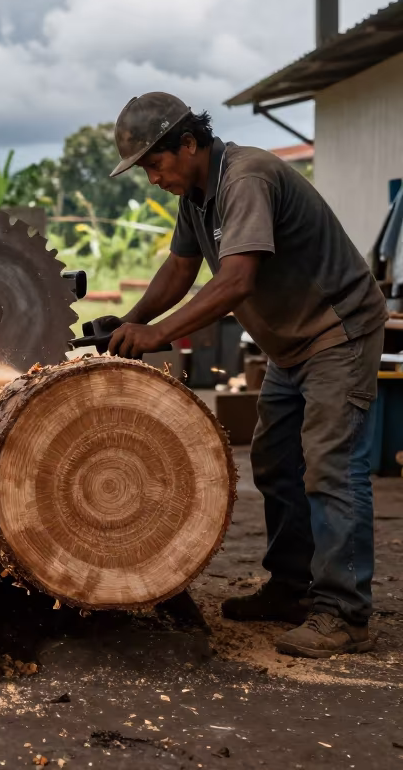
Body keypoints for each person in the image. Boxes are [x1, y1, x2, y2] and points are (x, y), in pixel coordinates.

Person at [103, 91, 387, 658]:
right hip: (291, 345)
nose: (153, 178)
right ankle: (292, 589)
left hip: (338, 332)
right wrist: (129, 323)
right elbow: (182, 267)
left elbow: (235, 281)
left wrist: (158, 337)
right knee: (276, 461)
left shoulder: (245, 178)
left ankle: (347, 613)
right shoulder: (197, 195)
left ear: (189, 143)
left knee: (330, 467)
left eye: (155, 164)